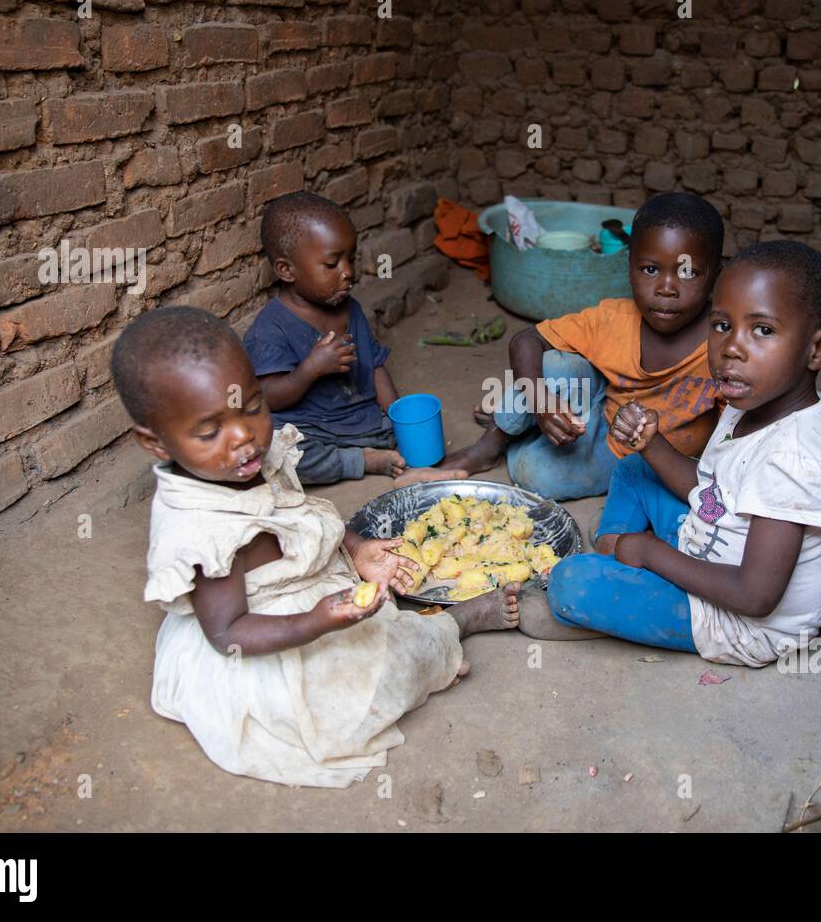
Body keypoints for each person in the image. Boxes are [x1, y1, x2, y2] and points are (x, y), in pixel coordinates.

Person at [111, 305, 519, 787]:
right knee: (375, 670)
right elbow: (229, 634)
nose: (244, 436)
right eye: (210, 430)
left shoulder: (236, 460)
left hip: (302, 592)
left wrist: (356, 546)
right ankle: (455, 625)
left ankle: (424, 642)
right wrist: (316, 622)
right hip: (263, 644)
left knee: (376, 628)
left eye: (253, 406)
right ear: (155, 443)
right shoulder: (201, 532)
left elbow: (294, 509)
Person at [542, 241, 821, 667]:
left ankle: (620, 576)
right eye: (722, 325)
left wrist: (653, 552)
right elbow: (712, 492)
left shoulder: (795, 457)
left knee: (569, 583)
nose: (731, 348)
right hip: (711, 544)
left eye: (762, 330)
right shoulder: (752, 400)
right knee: (635, 467)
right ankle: (619, 556)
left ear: (818, 349)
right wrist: (651, 444)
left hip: (739, 620)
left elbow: (755, 596)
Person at [450, 192, 726, 500]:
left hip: (629, 454)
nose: (666, 288)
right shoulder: (614, 318)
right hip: (596, 406)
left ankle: (515, 423)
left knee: (537, 476)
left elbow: (738, 436)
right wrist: (541, 403)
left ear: (715, 276)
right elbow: (525, 340)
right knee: (553, 365)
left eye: (688, 272)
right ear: (629, 266)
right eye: (650, 269)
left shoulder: (727, 347)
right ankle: (490, 445)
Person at [243, 191, 464, 486]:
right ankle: (363, 461)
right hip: (311, 429)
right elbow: (268, 396)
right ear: (286, 270)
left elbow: (374, 368)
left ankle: (402, 460)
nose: (348, 272)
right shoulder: (271, 327)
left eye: (351, 258)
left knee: (418, 434)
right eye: (332, 264)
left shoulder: (351, 309)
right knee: (276, 453)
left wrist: (398, 418)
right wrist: (311, 369)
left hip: (364, 423)